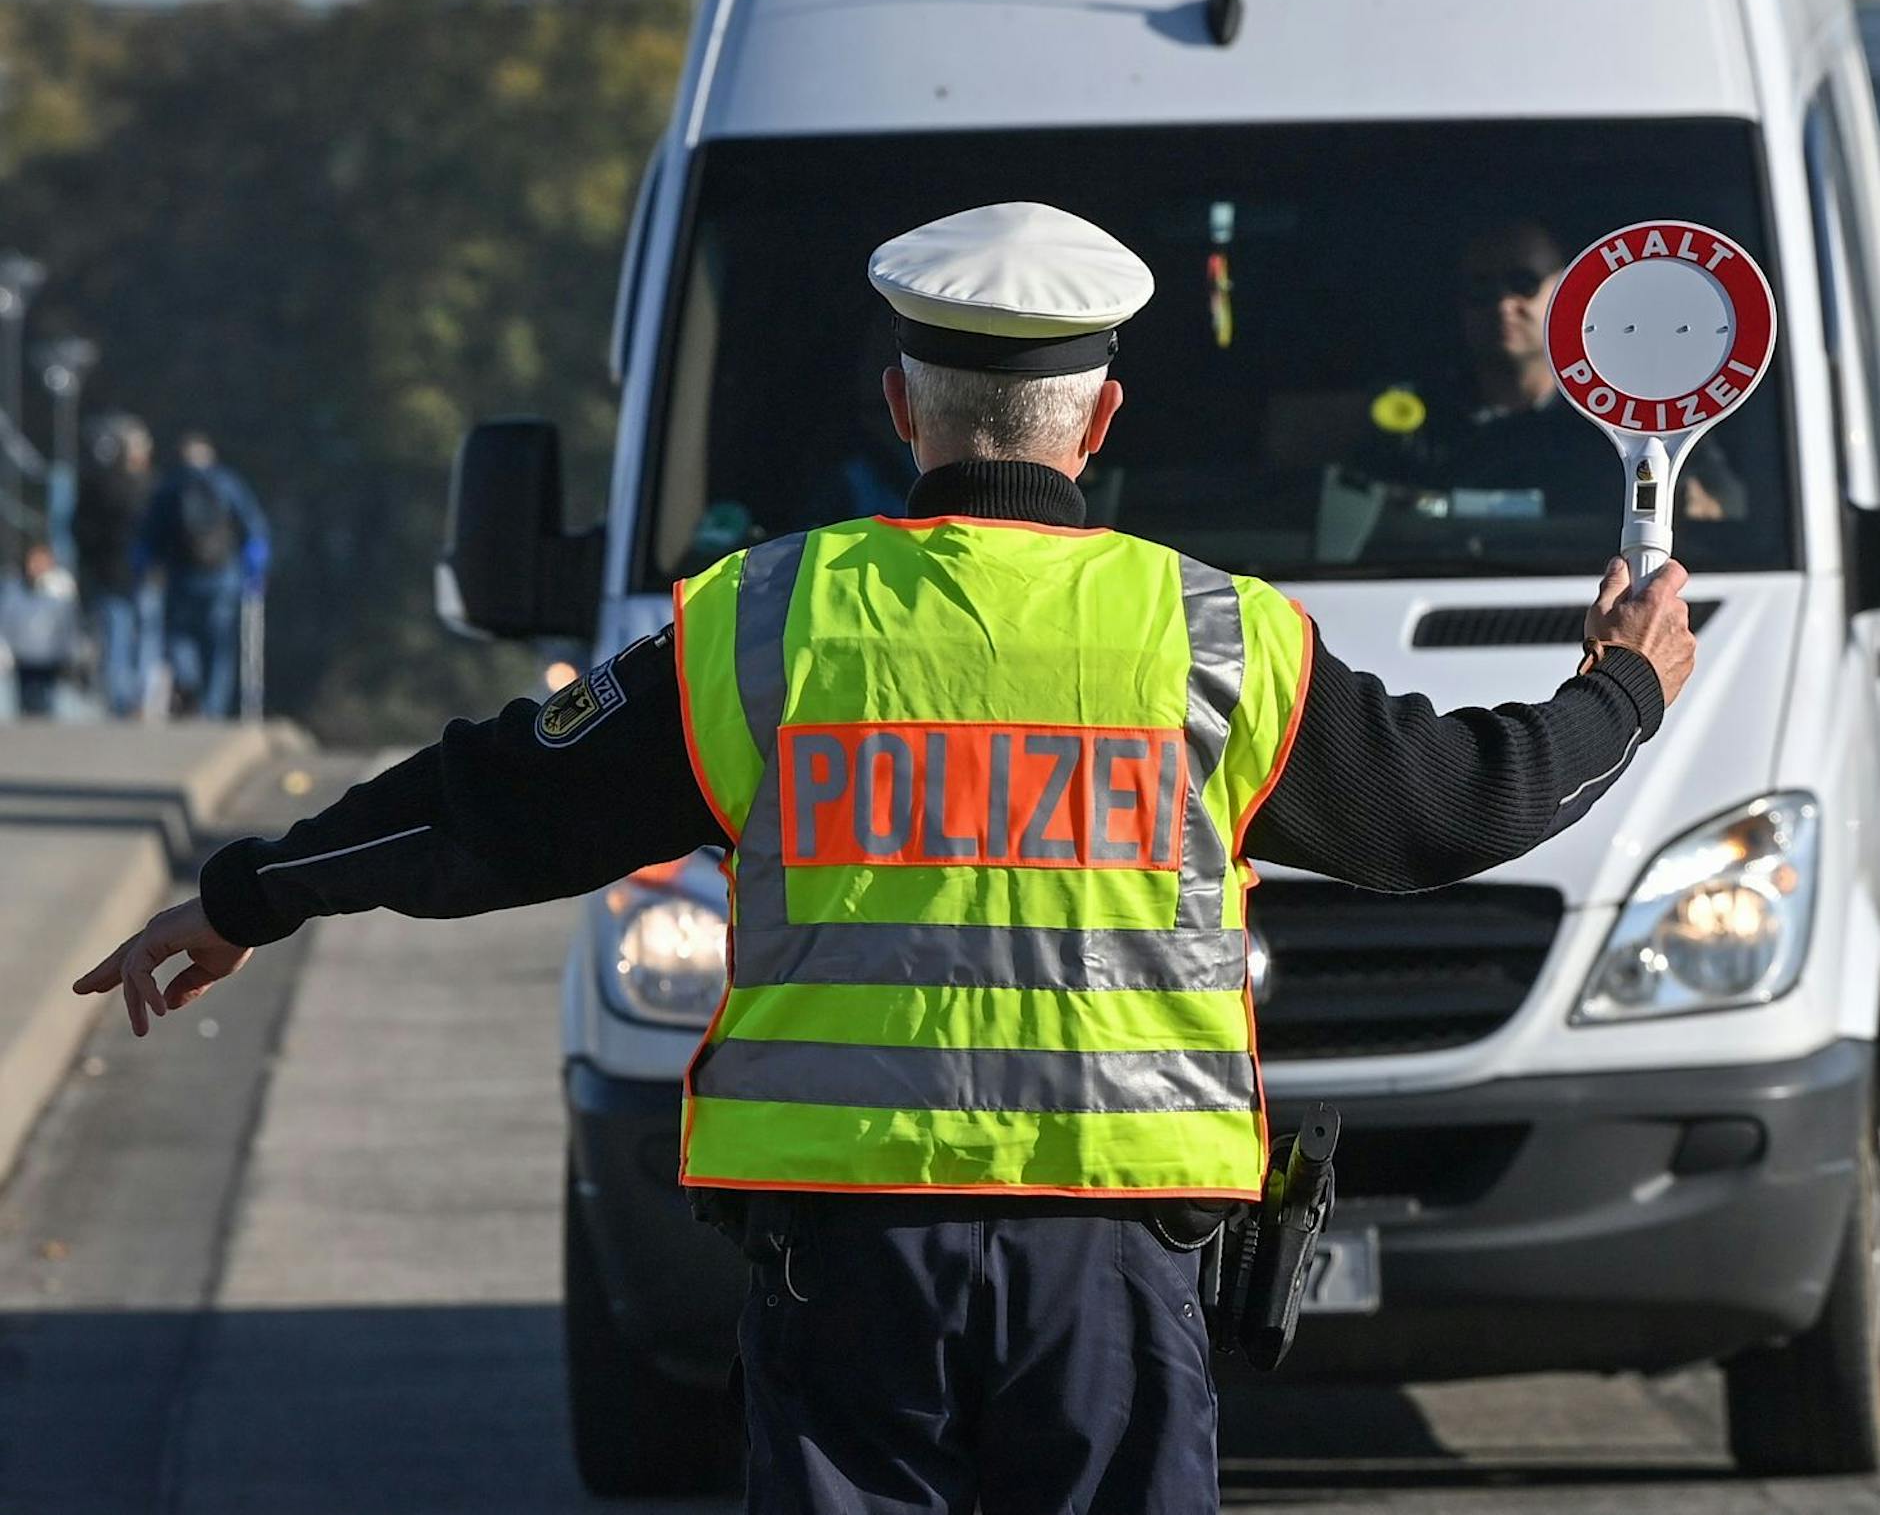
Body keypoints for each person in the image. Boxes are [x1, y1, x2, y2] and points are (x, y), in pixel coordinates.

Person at [74, 203, 1695, 1515]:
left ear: (903, 408)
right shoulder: (1217, 636)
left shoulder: (762, 624)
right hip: (1112, 1263)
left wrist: (246, 897)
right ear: (1103, 417)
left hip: (848, 1264)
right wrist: (1624, 683)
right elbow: (1460, 810)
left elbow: (490, 805)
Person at [1391, 220, 1743, 519]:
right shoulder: (1415, 420)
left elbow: (1726, 504)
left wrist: (1690, 505)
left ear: (1566, 291)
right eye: (1481, 288)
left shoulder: (1632, 416)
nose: (1503, 304)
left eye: (1524, 282)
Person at [134, 432, 269, 720]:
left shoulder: (170, 487)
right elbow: (253, 527)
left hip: (181, 577)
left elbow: (149, 536)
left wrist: (145, 567)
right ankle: (213, 708)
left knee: (179, 637)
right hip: (223, 577)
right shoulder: (228, 483)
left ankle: (189, 684)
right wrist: (255, 565)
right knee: (218, 645)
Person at [74, 415, 157, 717]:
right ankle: (137, 699)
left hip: (108, 574)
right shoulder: (146, 488)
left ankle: (121, 701)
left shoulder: (95, 485)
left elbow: (79, 531)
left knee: (116, 639)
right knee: (142, 637)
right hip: (140, 575)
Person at [0, 540, 84, 716]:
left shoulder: (61, 590)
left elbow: (69, 625)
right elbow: (6, 618)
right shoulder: (14, 590)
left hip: (51, 659)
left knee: (49, 704)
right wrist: (5, 647)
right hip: (23, 658)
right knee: (24, 705)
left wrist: (72, 652)